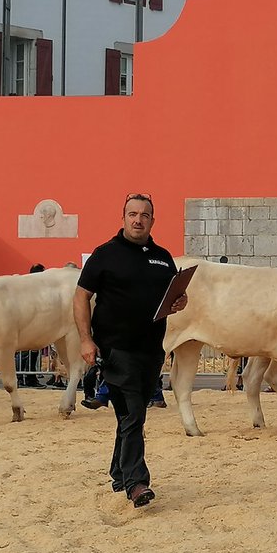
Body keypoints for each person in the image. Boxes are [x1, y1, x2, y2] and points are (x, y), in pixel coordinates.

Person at [73, 193, 186, 508]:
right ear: (123, 218)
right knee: (134, 413)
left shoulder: (163, 257)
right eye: (132, 214)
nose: (138, 220)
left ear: (152, 220)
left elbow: (173, 298)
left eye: (144, 215)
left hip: (152, 351)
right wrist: (86, 339)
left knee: (129, 416)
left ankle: (119, 472)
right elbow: (81, 297)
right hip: (116, 349)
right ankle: (137, 483)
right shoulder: (105, 255)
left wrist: (180, 302)